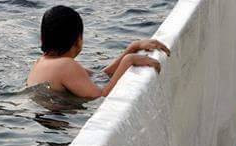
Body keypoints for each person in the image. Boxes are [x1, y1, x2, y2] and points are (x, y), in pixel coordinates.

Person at [26, 5, 170, 99]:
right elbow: (102, 96)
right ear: (78, 40)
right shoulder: (66, 65)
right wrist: (129, 60)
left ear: (42, 38)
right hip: (58, 119)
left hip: (46, 118)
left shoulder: (42, 61)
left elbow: (101, 76)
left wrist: (132, 48)